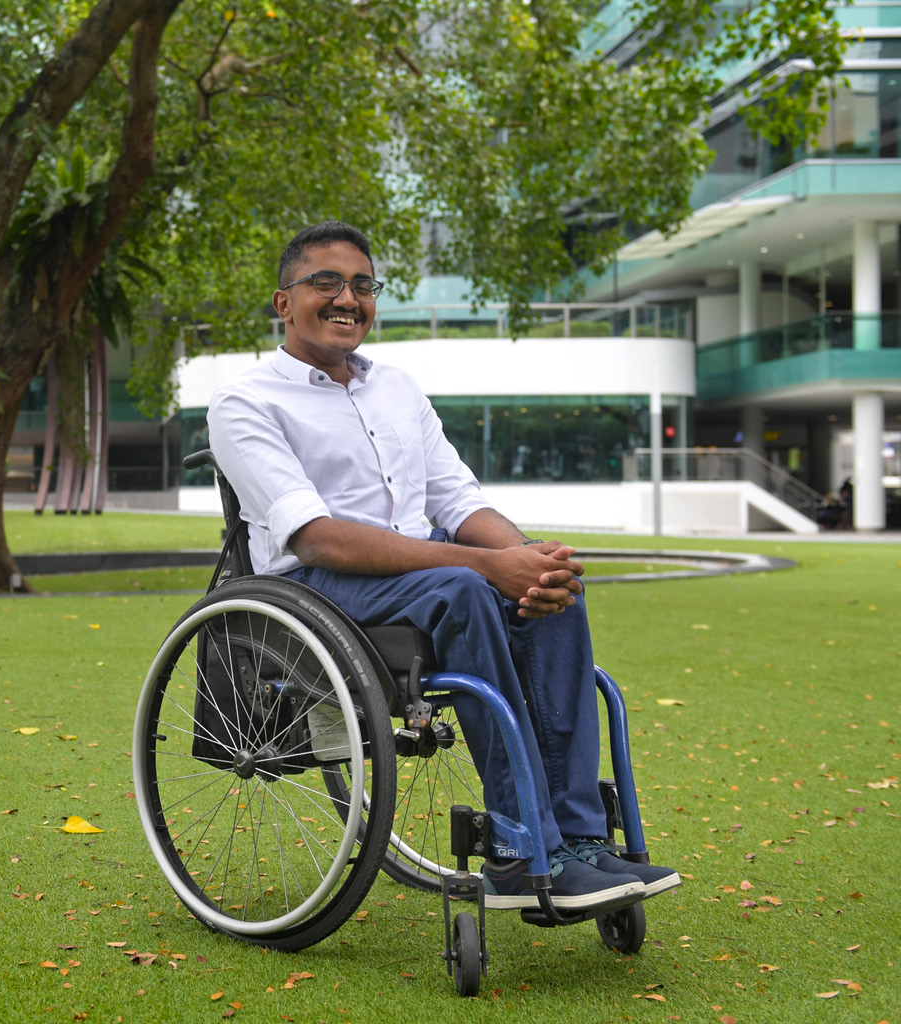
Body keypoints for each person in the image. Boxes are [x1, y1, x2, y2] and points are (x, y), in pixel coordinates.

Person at [207, 221, 681, 912]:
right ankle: (522, 852)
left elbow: (457, 500)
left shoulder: (396, 387)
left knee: (556, 590)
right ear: (284, 303)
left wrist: (529, 565)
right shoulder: (246, 401)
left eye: (363, 285)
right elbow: (314, 538)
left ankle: (580, 843)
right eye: (327, 283)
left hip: (419, 576)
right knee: (466, 585)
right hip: (314, 592)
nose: (348, 298)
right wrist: (490, 567)